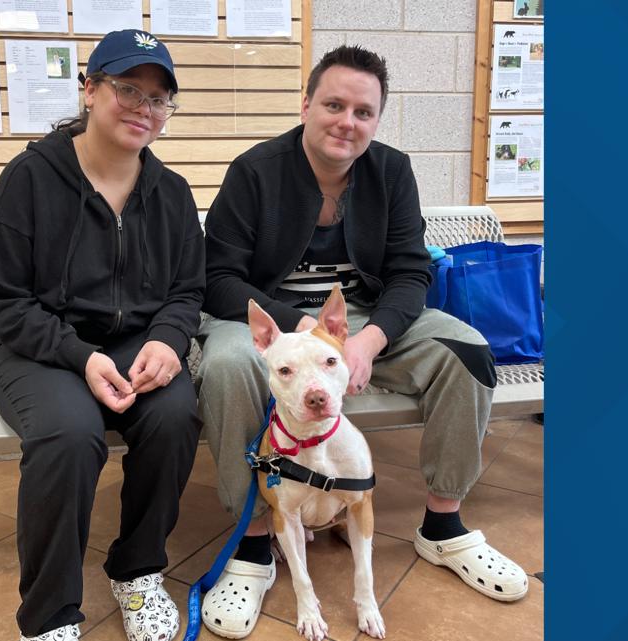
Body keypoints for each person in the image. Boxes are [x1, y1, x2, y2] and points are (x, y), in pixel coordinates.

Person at [196, 45, 528, 638]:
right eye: (333, 104)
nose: (347, 121)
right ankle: (254, 541)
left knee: (467, 351)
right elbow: (218, 277)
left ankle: (443, 526)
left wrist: (369, 340)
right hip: (272, 320)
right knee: (226, 367)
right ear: (305, 105)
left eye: (364, 111)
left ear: (377, 119)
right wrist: (298, 330)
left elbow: (410, 272)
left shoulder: (391, 171)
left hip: (363, 319)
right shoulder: (254, 171)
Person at [0, 29, 205, 641]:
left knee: (176, 414)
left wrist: (170, 340)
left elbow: (186, 292)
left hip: (135, 346)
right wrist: (79, 355)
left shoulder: (173, 194)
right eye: (128, 88)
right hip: (40, 348)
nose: (143, 108)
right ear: (90, 88)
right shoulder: (29, 180)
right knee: (69, 434)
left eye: (158, 99)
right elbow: (0, 300)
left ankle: (137, 571)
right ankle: (50, 615)